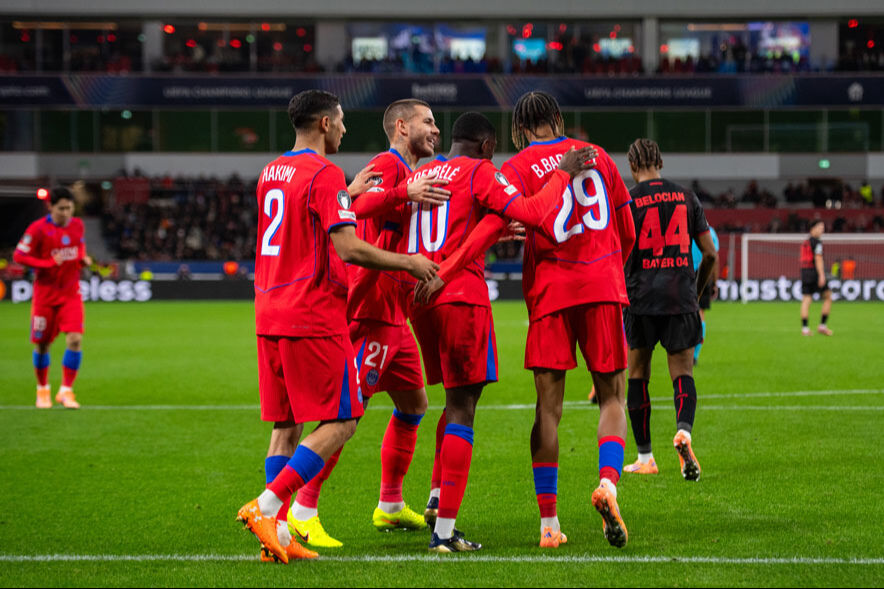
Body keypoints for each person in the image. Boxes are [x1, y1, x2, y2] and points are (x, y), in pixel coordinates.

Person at [236, 89, 439, 564]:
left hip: (269, 309)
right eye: (342, 120)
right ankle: (269, 506)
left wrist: (349, 194)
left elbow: (302, 222)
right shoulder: (325, 172)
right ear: (325, 123)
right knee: (343, 420)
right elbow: (347, 248)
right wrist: (409, 262)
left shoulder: (272, 171)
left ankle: (277, 534)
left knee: (287, 426)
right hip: (312, 311)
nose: (346, 129)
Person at [407, 111, 596, 552]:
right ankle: (444, 533)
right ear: (488, 147)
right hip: (460, 294)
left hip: (419, 295)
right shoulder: (480, 171)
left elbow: (454, 226)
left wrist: (492, 233)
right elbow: (534, 211)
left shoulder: (423, 174)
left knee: (452, 399)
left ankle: (435, 495)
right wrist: (563, 173)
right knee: (463, 407)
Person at [288, 98, 452, 547]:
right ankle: (303, 508)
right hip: (369, 309)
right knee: (345, 416)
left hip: (393, 311)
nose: (436, 129)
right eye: (428, 122)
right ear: (402, 127)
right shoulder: (387, 164)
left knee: (414, 405)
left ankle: (390, 505)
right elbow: (353, 210)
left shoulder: (411, 172)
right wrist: (402, 194)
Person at [501, 91, 637, 549]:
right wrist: (608, 269)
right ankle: (608, 485)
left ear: (520, 129)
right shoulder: (597, 155)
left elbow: (513, 217)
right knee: (612, 397)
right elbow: (628, 230)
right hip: (601, 287)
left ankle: (549, 524)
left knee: (547, 410)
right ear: (558, 118)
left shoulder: (517, 167)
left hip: (550, 292)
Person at [620, 138, 717, 482]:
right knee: (682, 372)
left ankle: (645, 457)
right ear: (660, 162)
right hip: (680, 296)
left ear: (632, 166)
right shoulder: (687, 197)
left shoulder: (627, 200)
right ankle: (684, 432)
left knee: (637, 374)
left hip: (641, 298)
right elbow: (710, 254)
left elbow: (617, 253)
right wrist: (696, 291)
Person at [13, 187, 92, 409]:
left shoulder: (77, 225)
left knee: (75, 340)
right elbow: (19, 255)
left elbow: (79, 247)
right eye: (61, 209)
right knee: (42, 345)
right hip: (45, 296)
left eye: (69, 208)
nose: (66, 213)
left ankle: (66, 391)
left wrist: (83, 260)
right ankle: (42, 389)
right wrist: (46, 263)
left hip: (71, 293)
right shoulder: (37, 229)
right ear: (50, 207)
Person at [800, 220, 833, 336]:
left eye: (823, 227)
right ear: (812, 228)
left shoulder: (806, 242)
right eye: (820, 227)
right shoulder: (817, 242)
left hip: (805, 272)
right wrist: (822, 275)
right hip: (814, 273)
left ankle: (805, 329)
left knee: (806, 299)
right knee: (828, 296)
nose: (822, 230)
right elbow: (818, 259)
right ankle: (822, 326)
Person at [692, 226, 719, 365]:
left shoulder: (686, 227)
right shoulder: (710, 232)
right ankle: (695, 354)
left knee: (684, 313)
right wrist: (714, 282)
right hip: (704, 273)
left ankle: (685, 351)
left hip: (685, 271)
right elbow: (714, 257)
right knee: (700, 314)